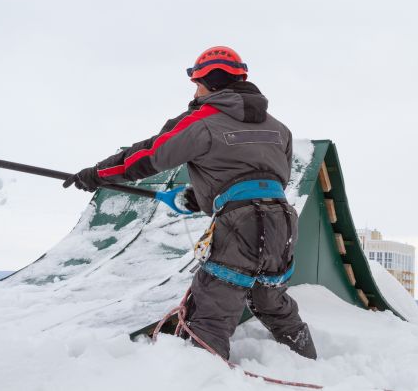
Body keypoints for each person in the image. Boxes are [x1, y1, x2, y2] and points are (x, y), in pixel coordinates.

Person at [63, 46, 316, 360]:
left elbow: (151, 155)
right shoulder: (279, 129)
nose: (195, 91)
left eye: (197, 84)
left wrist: (97, 174)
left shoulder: (203, 120)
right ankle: (308, 363)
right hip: (282, 220)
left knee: (213, 308)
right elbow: (268, 179)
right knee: (271, 300)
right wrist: (200, 197)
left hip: (241, 222)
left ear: (211, 81)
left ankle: (205, 375)